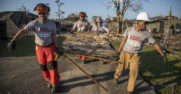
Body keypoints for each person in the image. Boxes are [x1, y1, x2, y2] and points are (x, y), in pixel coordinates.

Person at [7, 3, 61, 93]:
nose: (42, 15)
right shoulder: (34, 23)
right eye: (40, 13)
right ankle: (49, 81)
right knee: (43, 67)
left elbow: (54, 36)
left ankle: (55, 84)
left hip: (50, 47)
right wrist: (13, 40)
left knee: (52, 66)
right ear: (37, 14)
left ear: (47, 13)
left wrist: (57, 47)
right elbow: (23, 31)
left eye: (44, 13)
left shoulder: (52, 24)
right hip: (39, 48)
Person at [114, 12, 165, 94]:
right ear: (139, 22)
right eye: (144, 23)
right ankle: (116, 76)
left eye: (147, 23)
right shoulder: (129, 29)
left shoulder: (147, 34)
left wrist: (162, 53)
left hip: (135, 56)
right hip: (125, 53)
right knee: (121, 68)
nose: (146, 25)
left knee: (134, 72)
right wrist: (119, 50)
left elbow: (155, 43)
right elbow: (124, 40)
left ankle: (130, 90)